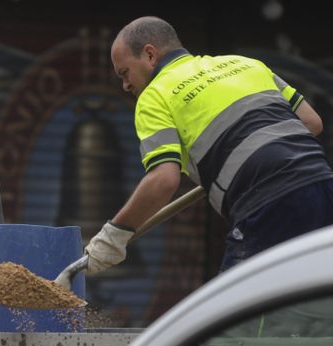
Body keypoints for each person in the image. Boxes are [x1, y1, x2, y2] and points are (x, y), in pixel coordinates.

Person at [85, 16, 333, 275]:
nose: (125, 85)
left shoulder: (154, 95)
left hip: (267, 203)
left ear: (149, 54)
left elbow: (163, 180)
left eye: (124, 73)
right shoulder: (246, 64)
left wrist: (115, 235)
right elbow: (312, 122)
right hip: (323, 184)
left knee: (237, 299)